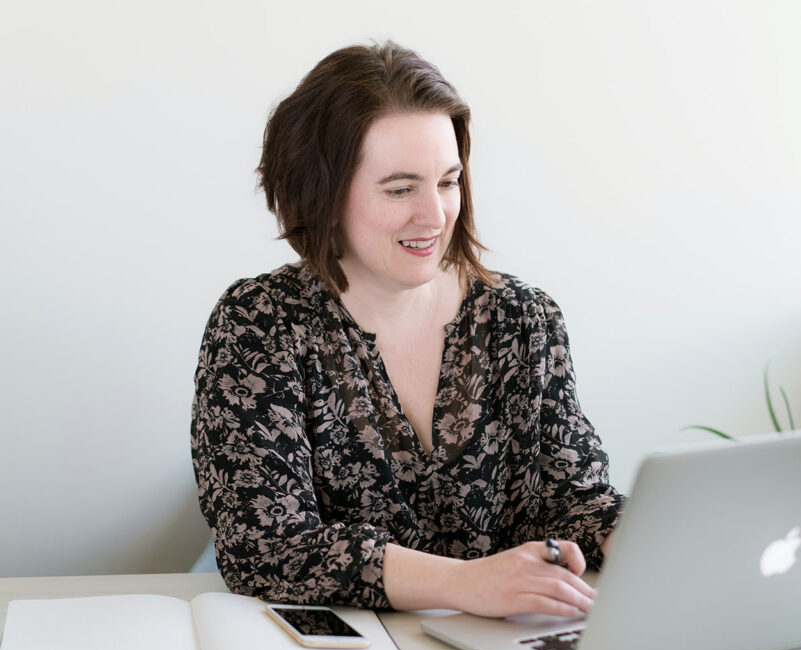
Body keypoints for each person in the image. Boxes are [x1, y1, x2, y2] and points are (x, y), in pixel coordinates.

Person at [190, 40, 623, 618]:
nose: (436, 214)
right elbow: (264, 549)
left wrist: (648, 543)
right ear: (321, 192)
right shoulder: (260, 324)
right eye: (400, 189)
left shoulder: (523, 318)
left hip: (504, 647)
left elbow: (578, 502)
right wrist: (467, 584)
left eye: (447, 181)